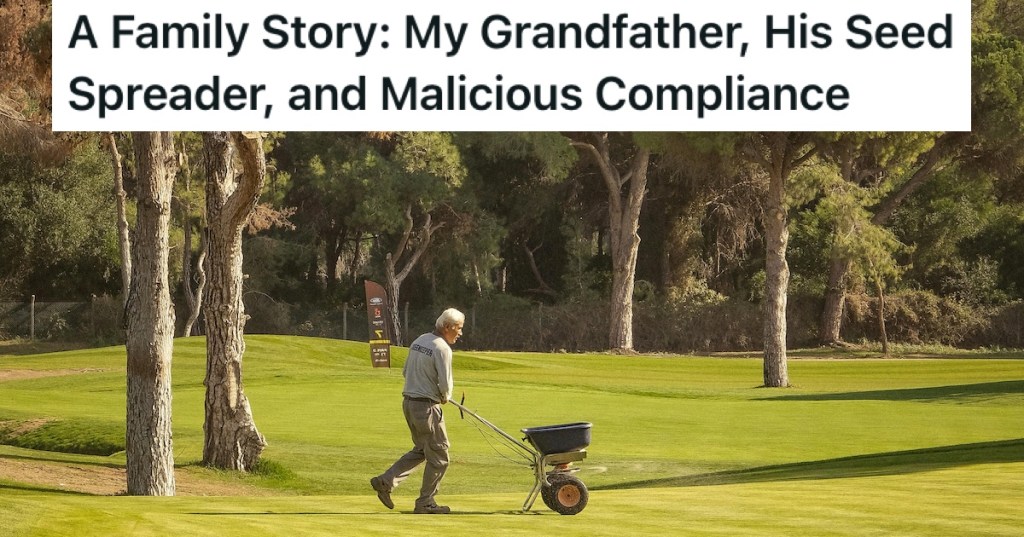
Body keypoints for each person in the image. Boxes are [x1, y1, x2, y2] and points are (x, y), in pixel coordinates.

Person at [371, 308, 465, 514]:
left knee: (422, 450)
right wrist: (445, 397)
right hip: (427, 407)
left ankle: (385, 482)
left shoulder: (420, 340)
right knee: (440, 457)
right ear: (448, 327)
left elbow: (405, 371)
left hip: (409, 403)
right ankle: (426, 502)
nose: (460, 333)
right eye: (458, 328)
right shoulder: (442, 349)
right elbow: (445, 385)